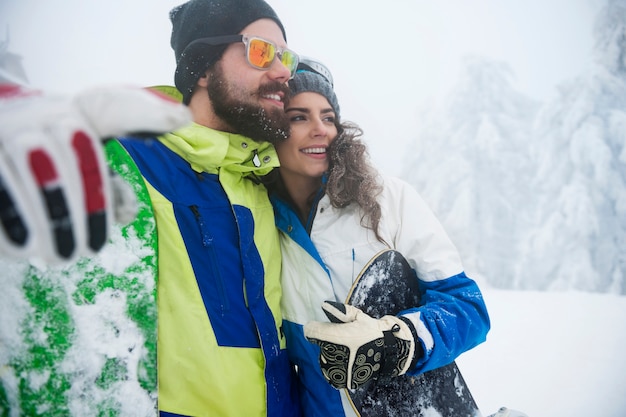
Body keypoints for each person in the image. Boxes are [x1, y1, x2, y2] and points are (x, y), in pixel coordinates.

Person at [0, 0, 302, 416]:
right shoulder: (127, 161)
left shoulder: (266, 183)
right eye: (261, 51)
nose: (284, 71)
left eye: (286, 57)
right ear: (202, 66)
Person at [264, 59, 491, 416]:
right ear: (272, 128)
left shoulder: (387, 200)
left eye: (328, 117)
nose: (319, 129)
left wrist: (397, 342)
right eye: (298, 117)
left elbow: (469, 309)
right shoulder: (259, 223)